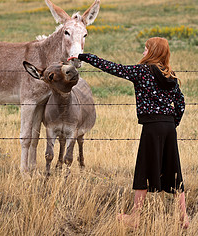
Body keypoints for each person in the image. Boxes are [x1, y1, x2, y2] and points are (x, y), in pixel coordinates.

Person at [73, 37, 189, 229]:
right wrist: (172, 123)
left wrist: (85, 57)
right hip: (168, 127)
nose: (143, 53)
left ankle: (135, 217)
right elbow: (181, 103)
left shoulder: (142, 71)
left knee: (143, 169)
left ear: (153, 52)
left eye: (146, 50)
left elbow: (112, 67)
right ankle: (183, 218)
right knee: (174, 170)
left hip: (152, 128)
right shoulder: (171, 75)